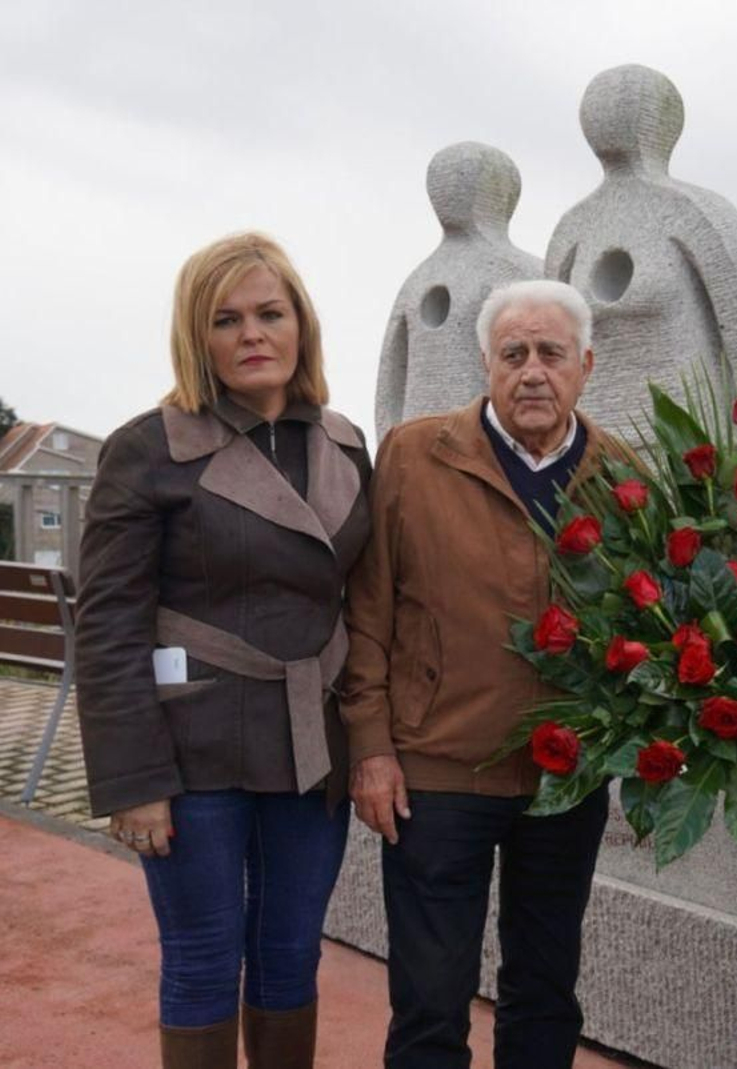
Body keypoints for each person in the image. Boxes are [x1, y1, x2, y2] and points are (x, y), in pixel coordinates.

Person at [75, 231, 372, 1068]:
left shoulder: (348, 445)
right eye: (226, 319)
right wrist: (133, 782)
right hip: (190, 752)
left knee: (291, 958)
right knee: (204, 960)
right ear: (196, 337)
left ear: (300, 325)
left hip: (312, 751)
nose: (252, 334)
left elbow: (368, 601)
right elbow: (106, 626)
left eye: (270, 313)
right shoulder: (148, 447)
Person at [340, 279, 631, 1068]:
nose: (532, 371)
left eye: (550, 353)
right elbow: (367, 611)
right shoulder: (413, 454)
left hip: (565, 778)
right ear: (486, 364)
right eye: (514, 354)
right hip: (438, 772)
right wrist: (371, 746)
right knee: (431, 999)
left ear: (586, 365)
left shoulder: (627, 477)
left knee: (545, 990)